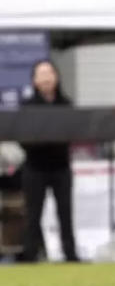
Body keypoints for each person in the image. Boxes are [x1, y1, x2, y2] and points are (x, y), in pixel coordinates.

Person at [17, 59, 80, 263]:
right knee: (33, 213)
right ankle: (31, 254)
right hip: (35, 167)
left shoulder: (66, 104)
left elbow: (72, 133)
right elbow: (21, 137)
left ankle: (69, 253)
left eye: (49, 73)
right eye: (41, 75)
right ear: (34, 80)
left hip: (61, 166)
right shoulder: (27, 107)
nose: (45, 79)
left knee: (65, 212)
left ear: (56, 76)